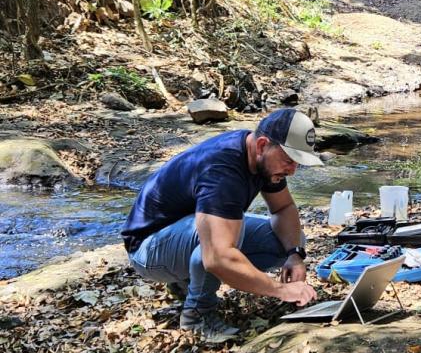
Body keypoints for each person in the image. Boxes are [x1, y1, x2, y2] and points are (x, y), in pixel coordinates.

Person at [121, 108, 321, 338]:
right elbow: (218, 256)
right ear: (262, 145)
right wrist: (280, 290)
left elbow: (283, 208)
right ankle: (197, 316)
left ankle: (186, 282)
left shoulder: (261, 160)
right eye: (288, 160)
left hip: (180, 238)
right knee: (227, 236)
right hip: (148, 250)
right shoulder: (222, 171)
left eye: (297, 163)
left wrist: (295, 255)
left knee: (289, 240)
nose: (293, 170)